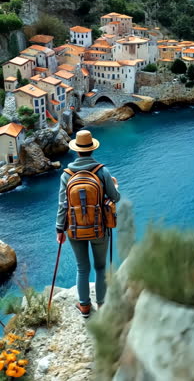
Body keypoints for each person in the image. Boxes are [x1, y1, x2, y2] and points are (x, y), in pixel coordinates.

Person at [55, 130, 120, 317]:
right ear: (92, 150)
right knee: (100, 267)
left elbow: (62, 206)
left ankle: (84, 306)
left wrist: (60, 229)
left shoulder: (66, 175)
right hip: (100, 228)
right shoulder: (102, 171)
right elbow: (115, 198)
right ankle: (102, 305)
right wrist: (114, 186)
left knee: (82, 267)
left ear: (77, 151)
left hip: (74, 230)